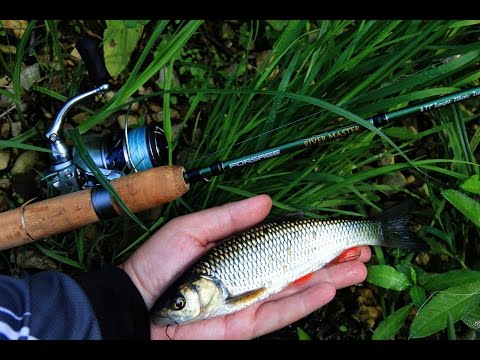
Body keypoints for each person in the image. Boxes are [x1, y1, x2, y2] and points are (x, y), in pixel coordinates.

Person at [0, 194, 370, 340]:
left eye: (178, 303)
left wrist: (120, 307)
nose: (175, 310)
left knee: (319, 279)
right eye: (179, 304)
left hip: (309, 245)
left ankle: (375, 230)